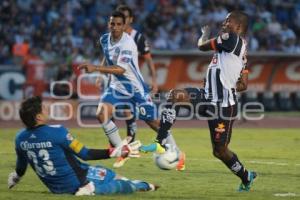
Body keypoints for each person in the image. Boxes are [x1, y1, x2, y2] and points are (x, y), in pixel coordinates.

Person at [141, 11, 257, 191]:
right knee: (175, 95)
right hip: (206, 96)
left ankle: (246, 176)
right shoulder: (239, 49)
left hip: (223, 106)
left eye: (229, 20)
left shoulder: (230, 38)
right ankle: (161, 142)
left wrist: (203, 36)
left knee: (219, 151)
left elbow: (202, 46)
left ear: (239, 27)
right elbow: (244, 84)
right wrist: (225, 79)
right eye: (224, 20)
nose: (224, 23)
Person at [78, 11, 185, 170]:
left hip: (134, 88)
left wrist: (95, 68)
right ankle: (122, 149)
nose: (115, 27)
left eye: (118, 24)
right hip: (116, 87)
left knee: (153, 122)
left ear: (124, 26)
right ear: (109, 24)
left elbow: (121, 69)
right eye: (112, 23)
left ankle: (177, 152)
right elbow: (107, 56)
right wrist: (101, 71)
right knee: (101, 113)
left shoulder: (128, 43)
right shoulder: (104, 39)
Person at [7, 96, 158, 195]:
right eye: (44, 108)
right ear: (39, 117)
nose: (47, 109)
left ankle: (145, 185)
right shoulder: (57, 132)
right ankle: (142, 186)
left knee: (108, 175)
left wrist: (16, 177)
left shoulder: (20, 139)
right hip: (79, 179)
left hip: (56, 188)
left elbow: (21, 166)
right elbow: (85, 153)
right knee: (122, 183)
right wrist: (115, 152)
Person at [116, 5, 158, 145]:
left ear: (130, 19)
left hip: (134, 82)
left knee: (149, 119)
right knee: (110, 109)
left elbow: (149, 60)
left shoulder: (137, 37)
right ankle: (125, 142)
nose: (121, 20)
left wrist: (154, 81)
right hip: (118, 81)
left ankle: (168, 139)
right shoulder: (113, 36)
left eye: (125, 17)